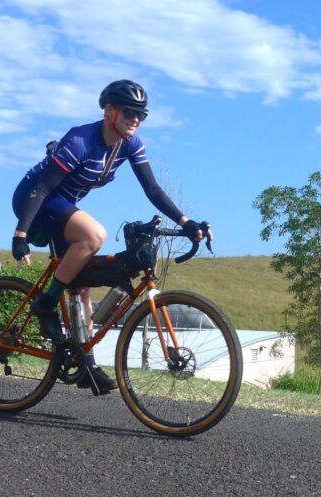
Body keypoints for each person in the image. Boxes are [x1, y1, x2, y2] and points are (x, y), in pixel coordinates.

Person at [11, 79, 212, 392]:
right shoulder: (81, 141)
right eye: (130, 112)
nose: (135, 119)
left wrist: (186, 221)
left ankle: (85, 366)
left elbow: (152, 188)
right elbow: (43, 188)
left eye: (141, 115)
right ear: (109, 111)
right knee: (94, 235)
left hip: (63, 205)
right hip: (35, 202)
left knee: (82, 286)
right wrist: (21, 232)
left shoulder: (129, 144)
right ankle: (45, 304)